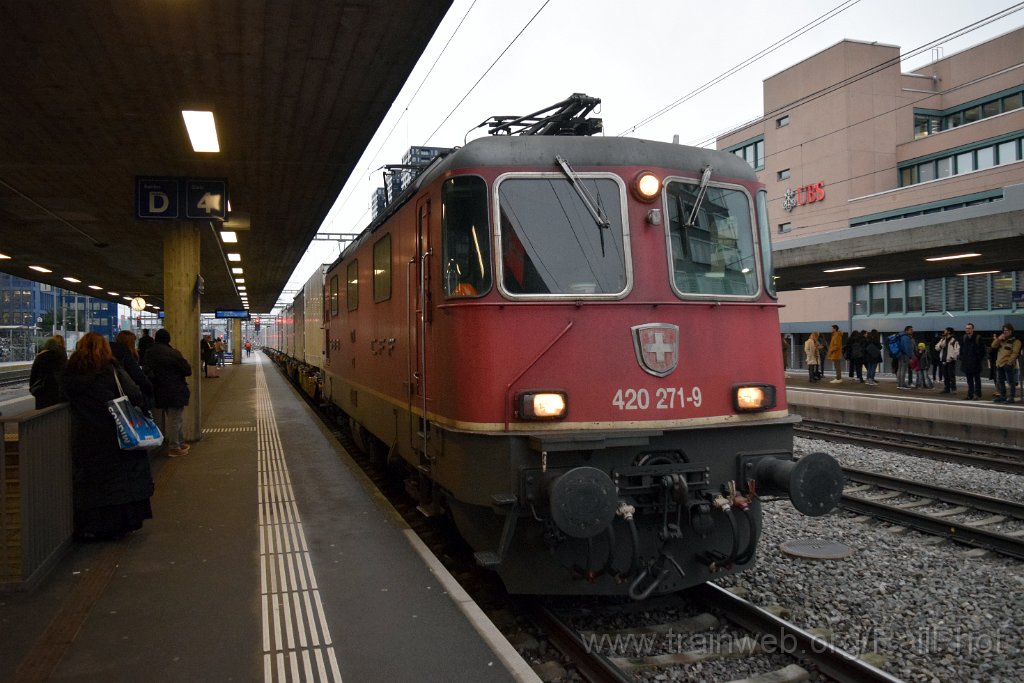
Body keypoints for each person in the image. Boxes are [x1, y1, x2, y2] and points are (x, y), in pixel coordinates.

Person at [61, 332, 153, 540]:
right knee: (119, 478)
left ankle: (91, 525)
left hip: (85, 434)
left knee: (92, 480)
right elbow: (135, 393)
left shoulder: (69, 373)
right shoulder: (110, 369)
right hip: (116, 430)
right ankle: (119, 524)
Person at [146, 328, 193, 456]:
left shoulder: (149, 353)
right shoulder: (173, 353)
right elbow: (187, 370)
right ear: (168, 339)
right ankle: (174, 447)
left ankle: (180, 442)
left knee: (174, 418)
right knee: (175, 419)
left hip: (158, 389)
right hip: (174, 389)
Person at [112, 330, 154, 409]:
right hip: (128, 396)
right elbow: (138, 377)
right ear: (130, 343)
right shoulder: (126, 356)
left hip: (113, 396)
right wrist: (150, 389)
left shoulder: (109, 354)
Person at [29, 335, 68, 409]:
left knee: (42, 416)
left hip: (41, 391)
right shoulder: (62, 356)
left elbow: (33, 375)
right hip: (57, 392)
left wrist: (33, 389)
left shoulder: (40, 357)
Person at [991, 323, 1021, 404]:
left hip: (1008, 364)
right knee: (1000, 381)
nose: (1005, 332)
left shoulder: (1016, 341)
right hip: (999, 363)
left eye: (1007, 330)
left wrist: (1009, 363)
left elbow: (1015, 353)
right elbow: (993, 346)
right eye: (1004, 330)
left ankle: (1011, 397)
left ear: (1011, 331)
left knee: (1010, 382)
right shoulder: (1002, 340)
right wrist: (998, 339)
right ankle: (1003, 396)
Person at [960, 323, 985, 400]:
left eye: (969, 328)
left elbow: (982, 351)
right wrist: (962, 358)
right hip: (967, 363)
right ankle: (970, 394)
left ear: (973, 329)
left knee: (977, 379)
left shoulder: (978, 338)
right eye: (967, 328)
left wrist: (978, 359)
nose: (968, 330)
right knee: (969, 380)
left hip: (975, 363)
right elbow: (961, 349)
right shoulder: (964, 338)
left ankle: (977, 394)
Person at [935, 327, 960, 394]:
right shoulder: (942, 339)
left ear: (948, 332)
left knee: (951, 375)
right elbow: (936, 347)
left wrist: (952, 357)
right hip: (943, 360)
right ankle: (947, 388)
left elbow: (957, 350)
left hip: (950, 360)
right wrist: (940, 346)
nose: (944, 332)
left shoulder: (954, 341)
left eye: (945, 331)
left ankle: (953, 389)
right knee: (945, 375)